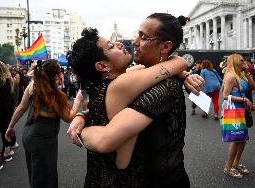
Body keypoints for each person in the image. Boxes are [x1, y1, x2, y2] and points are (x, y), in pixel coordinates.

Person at [69, 13, 204, 187]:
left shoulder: (131, 81)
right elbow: (178, 62)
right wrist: (82, 123)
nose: (133, 42)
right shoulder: (122, 84)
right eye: (111, 46)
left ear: (165, 46)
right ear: (102, 66)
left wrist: (81, 119)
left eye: (143, 37)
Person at [5, 59, 82, 188]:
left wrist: (10, 126)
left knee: (35, 173)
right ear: (57, 75)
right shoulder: (54, 95)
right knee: (46, 176)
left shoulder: (32, 85)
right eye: (59, 73)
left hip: (28, 135)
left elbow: (21, 107)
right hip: (44, 139)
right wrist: (77, 101)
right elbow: (68, 117)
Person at [221, 54, 255, 178]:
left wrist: (248, 74)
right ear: (235, 61)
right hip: (234, 110)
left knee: (242, 140)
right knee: (236, 140)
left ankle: (236, 163)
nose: (244, 62)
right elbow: (225, 96)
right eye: (241, 60)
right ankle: (228, 167)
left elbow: (253, 87)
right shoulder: (230, 76)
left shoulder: (241, 75)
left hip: (242, 110)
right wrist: (244, 99)